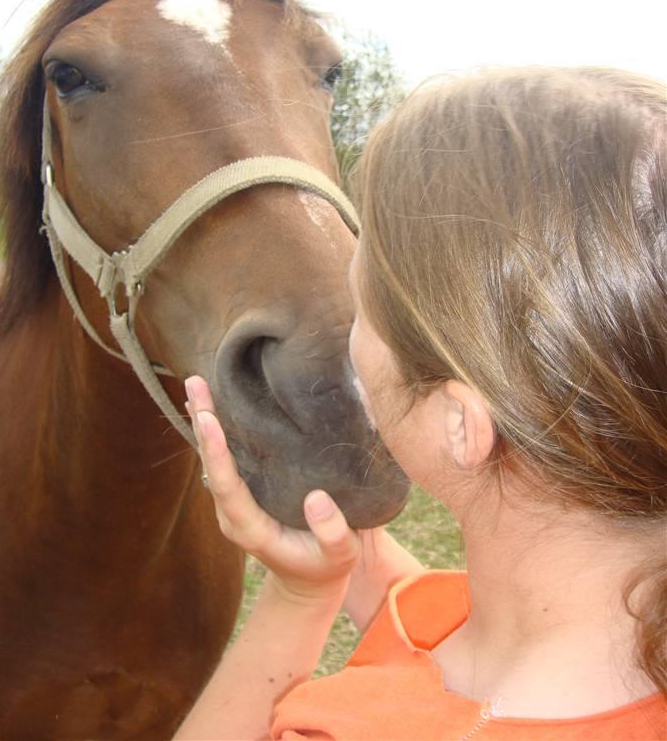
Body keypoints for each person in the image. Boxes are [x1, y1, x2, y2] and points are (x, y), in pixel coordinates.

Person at [175, 66, 667, 741]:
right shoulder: (584, 619)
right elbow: (421, 615)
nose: (349, 345)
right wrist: (350, 558)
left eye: (363, 310)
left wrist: (299, 594)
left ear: (460, 423)